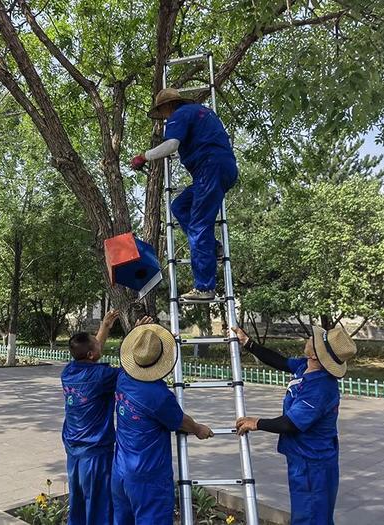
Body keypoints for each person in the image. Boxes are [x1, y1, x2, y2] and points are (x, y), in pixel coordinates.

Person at [231, 325, 358, 525]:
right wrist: (248, 343)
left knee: (311, 517)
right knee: (307, 513)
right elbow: (280, 361)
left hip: (313, 464)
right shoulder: (306, 366)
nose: (309, 339)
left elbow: (291, 423)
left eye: (314, 340)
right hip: (302, 458)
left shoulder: (321, 388)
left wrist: (257, 423)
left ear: (317, 355)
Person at [130, 88, 238, 302]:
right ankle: (211, 245)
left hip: (210, 168)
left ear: (167, 107)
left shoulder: (179, 115)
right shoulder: (202, 112)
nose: (164, 118)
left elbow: (171, 145)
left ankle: (204, 287)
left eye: (162, 113)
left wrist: (144, 156)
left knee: (199, 226)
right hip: (219, 169)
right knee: (179, 206)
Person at [112, 323, 214, 525]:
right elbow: (181, 421)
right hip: (148, 477)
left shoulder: (123, 378)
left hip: (121, 470)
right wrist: (198, 429)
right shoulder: (158, 396)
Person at [61, 309, 151, 525]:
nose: (100, 343)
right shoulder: (101, 377)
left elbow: (91, 352)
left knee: (78, 499)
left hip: (74, 448)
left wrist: (105, 327)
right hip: (95, 452)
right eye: (97, 342)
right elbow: (130, 367)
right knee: (98, 502)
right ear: (92, 354)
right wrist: (136, 335)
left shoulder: (68, 371)